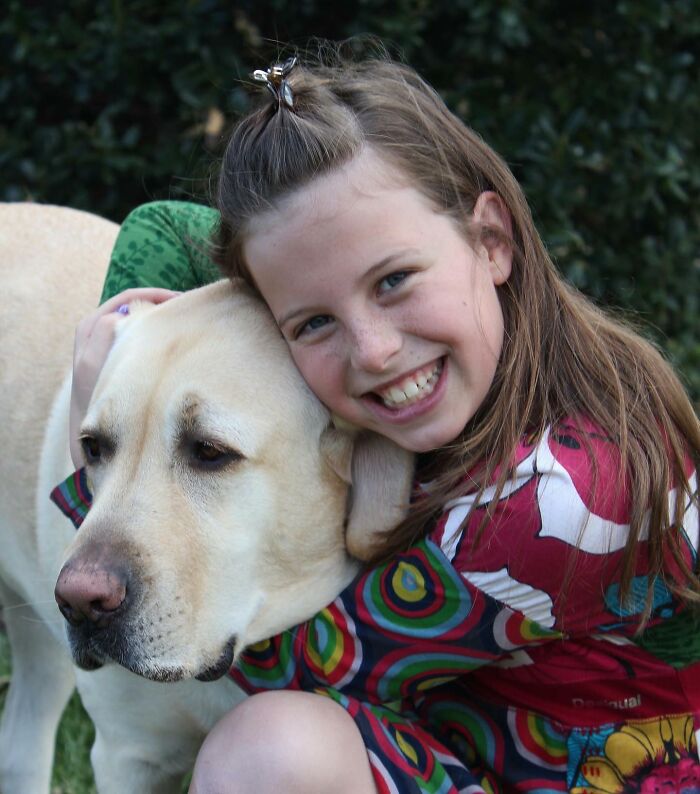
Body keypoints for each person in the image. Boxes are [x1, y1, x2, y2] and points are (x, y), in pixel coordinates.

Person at [52, 51, 700, 793]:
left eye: (393, 281)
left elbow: (295, 661)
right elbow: (163, 228)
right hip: (462, 752)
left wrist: (85, 426)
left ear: (492, 241)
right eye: (314, 321)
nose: (373, 351)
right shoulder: (474, 371)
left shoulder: (564, 497)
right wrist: (124, 358)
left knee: (267, 753)